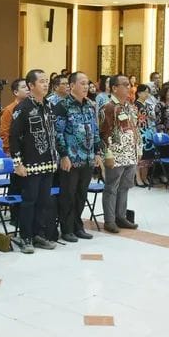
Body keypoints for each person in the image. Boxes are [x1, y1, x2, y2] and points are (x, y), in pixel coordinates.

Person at [10, 69, 58, 253]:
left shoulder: (48, 105)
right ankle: (26, 237)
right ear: (31, 85)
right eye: (42, 81)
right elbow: (14, 138)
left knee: (44, 201)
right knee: (29, 201)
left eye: (47, 81)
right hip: (30, 164)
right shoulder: (22, 108)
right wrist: (17, 163)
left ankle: (39, 234)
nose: (46, 84)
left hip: (48, 162)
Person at [54, 72, 101, 242]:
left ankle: (77, 226)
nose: (86, 86)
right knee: (68, 195)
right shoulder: (63, 106)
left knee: (81, 194)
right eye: (82, 83)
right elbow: (58, 133)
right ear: (72, 85)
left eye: (87, 83)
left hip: (88, 157)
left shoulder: (89, 106)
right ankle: (66, 229)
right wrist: (63, 155)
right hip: (71, 158)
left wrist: (97, 152)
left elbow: (95, 130)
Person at [99, 74, 140, 233]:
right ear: (114, 88)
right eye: (125, 84)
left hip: (130, 153)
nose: (129, 87)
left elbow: (136, 128)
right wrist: (107, 154)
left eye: (129, 84)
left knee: (125, 186)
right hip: (115, 155)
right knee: (111, 187)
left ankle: (121, 216)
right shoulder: (108, 107)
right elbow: (103, 133)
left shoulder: (129, 106)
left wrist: (139, 148)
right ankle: (109, 220)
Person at [134, 84, 155, 187]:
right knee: (140, 155)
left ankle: (144, 176)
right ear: (139, 93)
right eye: (145, 92)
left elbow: (152, 118)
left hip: (147, 130)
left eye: (148, 92)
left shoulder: (147, 105)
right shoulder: (135, 105)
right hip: (139, 131)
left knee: (148, 155)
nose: (147, 94)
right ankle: (138, 178)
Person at [0, 79, 29, 155]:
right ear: (16, 92)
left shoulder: (33, 107)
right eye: (24, 87)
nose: (27, 89)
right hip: (15, 150)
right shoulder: (9, 110)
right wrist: (8, 151)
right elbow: (5, 132)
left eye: (28, 86)